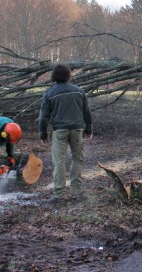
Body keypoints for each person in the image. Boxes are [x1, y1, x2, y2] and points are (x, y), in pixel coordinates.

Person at [39, 63, 92, 203]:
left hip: (60, 131)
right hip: (77, 129)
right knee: (77, 159)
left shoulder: (49, 94)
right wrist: (89, 129)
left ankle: (60, 195)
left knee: (59, 162)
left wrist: (42, 134)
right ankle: (77, 193)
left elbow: (43, 116)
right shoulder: (79, 91)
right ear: (68, 75)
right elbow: (86, 112)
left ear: (54, 76)